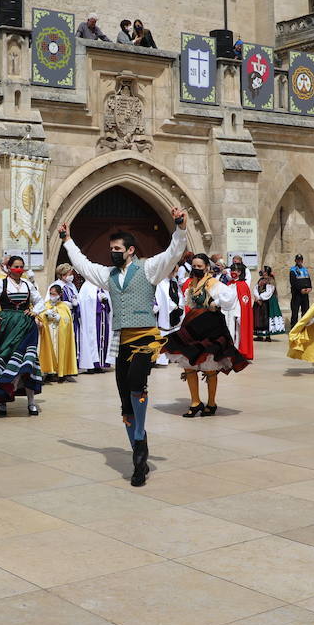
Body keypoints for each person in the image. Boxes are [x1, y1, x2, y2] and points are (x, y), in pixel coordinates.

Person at [60, 207, 187, 487]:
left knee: (135, 384)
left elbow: (172, 254)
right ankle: (138, 453)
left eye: (117, 248)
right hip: (122, 341)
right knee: (125, 402)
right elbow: (83, 265)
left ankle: (140, 444)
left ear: (130, 250)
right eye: (111, 248)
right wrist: (67, 240)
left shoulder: (149, 268)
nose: (113, 252)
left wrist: (179, 228)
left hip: (145, 338)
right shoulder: (108, 276)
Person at [164, 253, 248, 417]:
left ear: (207, 268)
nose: (196, 269)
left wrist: (216, 304)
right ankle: (195, 402)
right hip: (193, 324)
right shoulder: (192, 284)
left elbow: (230, 298)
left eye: (199, 267)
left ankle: (211, 403)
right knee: (189, 363)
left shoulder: (214, 284)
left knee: (210, 365)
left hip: (210, 326)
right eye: (194, 266)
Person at [0, 256, 45, 416]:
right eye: (16, 266)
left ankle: (31, 403)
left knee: (27, 362)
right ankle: (1, 401)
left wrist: (35, 311)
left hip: (26, 326)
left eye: (21, 267)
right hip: (8, 328)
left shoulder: (27, 285)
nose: (19, 270)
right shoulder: (1, 284)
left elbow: (40, 301)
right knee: (3, 361)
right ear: (9, 268)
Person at [39, 283, 78, 383]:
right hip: (49, 333)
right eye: (51, 294)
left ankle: (59, 372)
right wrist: (46, 315)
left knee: (59, 351)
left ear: (60, 294)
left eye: (54, 294)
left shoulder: (64, 306)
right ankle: (48, 372)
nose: (52, 296)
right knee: (49, 350)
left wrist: (59, 318)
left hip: (59, 333)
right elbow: (40, 315)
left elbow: (67, 320)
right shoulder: (45, 304)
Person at [76, 277, 114, 374]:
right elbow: (86, 303)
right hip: (92, 320)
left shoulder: (102, 286)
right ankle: (92, 364)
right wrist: (97, 300)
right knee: (93, 340)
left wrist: (105, 300)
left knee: (103, 340)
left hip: (103, 318)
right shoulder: (86, 287)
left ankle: (100, 364)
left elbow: (109, 303)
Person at [224, 263, 256, 360]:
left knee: (238, 333)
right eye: (233, 270)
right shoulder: (229, 284)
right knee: (229, 332)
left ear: (241, 273)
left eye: (237, 271)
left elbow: (243, 301)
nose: (234, 272)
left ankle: (237, 352)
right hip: (228, 312)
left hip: (237, 312)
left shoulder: (243, 285)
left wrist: (239, 314)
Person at [288, 255, 312, 328]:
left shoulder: (305, 270)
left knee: (305, 311)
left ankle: (304, 327)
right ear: (295, 260)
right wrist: (300, 289)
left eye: (301, 260)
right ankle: (294, 328)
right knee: (295, 312)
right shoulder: (293, 270)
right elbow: (293, 282)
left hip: (305, 294)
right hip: (297, 294)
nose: (299, 261)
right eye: (298, 260)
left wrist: (310, 288)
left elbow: (308, 280)